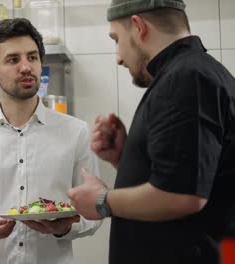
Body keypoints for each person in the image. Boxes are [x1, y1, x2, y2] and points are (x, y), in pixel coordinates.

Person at [67, 0, 235, 263]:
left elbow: (183, 196)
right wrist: (125, 156)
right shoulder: (189, 73)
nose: (119, 57)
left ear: (137, 26)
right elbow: (183, 173)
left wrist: (102, 201)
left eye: (116, 39)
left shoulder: (187, 77)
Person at [0, 18, 101, 264]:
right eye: (13, 59)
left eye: (32, 57)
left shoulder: (76, 132)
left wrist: (63, 228)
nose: (26, 67)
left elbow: (94, 213)